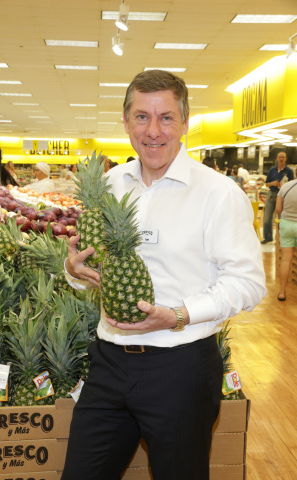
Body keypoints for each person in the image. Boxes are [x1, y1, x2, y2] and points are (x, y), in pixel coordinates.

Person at [61, 69, 267, 480]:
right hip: (109, 362)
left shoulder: (218, 193)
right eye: (141, 117)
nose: (153, 131)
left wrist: (179, 314)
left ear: (185, 123)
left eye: (166, 117)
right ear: (126, 123)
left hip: (181, 368)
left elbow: (248, 282)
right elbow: (90, 267)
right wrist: (73, 270)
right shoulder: (110, 183)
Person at [261, 151, 294, 244]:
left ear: (285, 159)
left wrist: (283, 186)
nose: (281, 159)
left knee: (281, 218)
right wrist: (273, 183)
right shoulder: (272, 170)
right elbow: (267, 184)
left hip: (283, 196)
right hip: (271, 195)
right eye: (279, 157)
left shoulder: (289, 171)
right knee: (267, 217)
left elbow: (292, 185)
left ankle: (280, 239)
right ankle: (267, 237)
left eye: (283, 157)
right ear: (277, 158)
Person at [275, 178, 297, 301]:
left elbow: (278, 209)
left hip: (287, 225)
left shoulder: (285, 187)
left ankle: (282, 292)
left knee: (286, 260)